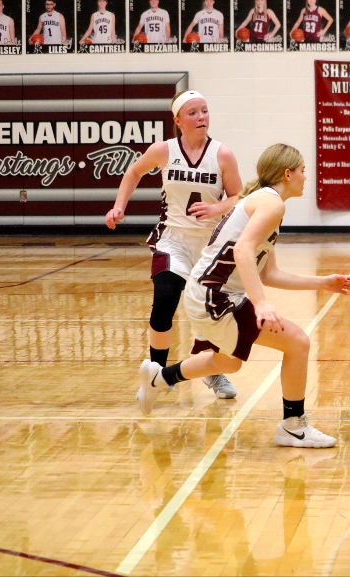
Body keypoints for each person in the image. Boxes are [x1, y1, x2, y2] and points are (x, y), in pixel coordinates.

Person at [137, 143, 350, 448]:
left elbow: (269, 273)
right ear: (287, 173)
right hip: (213, 295)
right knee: (297, 343)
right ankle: (294, 426)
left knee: (228, 363)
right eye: (303, 170)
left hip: (208, 293)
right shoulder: (271, 204)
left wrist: (323, 282)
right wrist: (261, 303)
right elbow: (242, 250)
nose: (306, 177)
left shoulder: (266, 203)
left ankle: (159, 378)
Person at [106, 90, 242, 400]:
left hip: (210, 246)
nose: (201, 118)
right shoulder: (163, 150)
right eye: (193, 113)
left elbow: (237, 196)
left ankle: (212, 371)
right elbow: (134, 171)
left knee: (210, 314)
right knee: (164, 302)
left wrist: (216, 209)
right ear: (178, 120)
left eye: (205, 111)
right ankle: (156, 375)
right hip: (173, 241)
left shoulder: (222, 154)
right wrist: (119, 206)